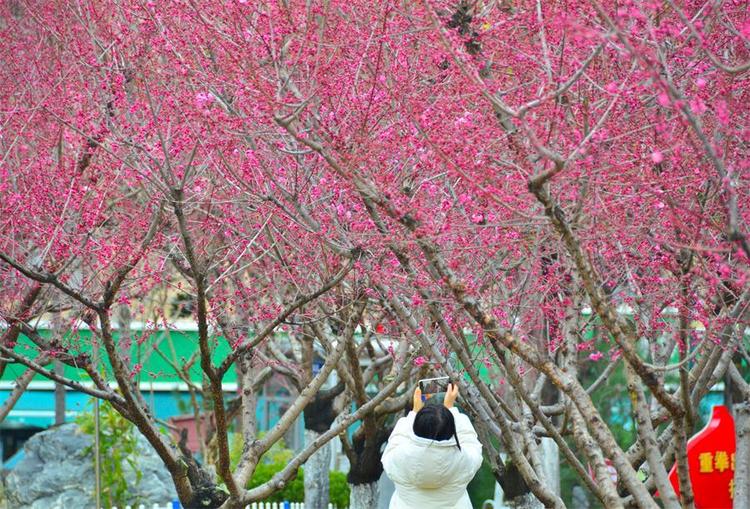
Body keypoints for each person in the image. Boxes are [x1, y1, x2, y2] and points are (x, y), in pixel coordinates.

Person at [382, 383, 483, 508]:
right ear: (451, 429)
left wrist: (414, 412)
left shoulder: (399, 457)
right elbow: (470, 441)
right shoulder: (463, 460)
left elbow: (397, 439)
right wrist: (451, 409)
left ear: (416, 427)